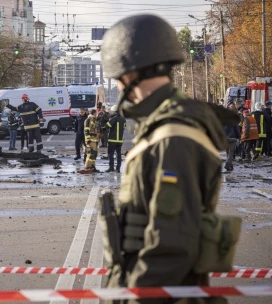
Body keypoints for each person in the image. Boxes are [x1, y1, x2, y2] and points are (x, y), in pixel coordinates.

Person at [100, 14, 240, 303]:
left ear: (129, 73)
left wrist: (135, 298)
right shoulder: (163, 127)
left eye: (115, 79)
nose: (116, 86)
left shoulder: (173, 137)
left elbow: (170, 247)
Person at [106, 105, 126, 173]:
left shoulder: (114, 118)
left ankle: (111, 168)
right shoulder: (123, 119)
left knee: (110, 154)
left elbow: (107, 126)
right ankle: (118, 168)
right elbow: (124, 127)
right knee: (118, 155)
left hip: (112, 140)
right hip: (119, 140)